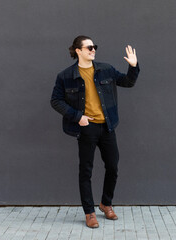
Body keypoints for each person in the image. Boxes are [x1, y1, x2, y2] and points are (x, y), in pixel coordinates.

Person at [50, 35, 140, 228]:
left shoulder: (105, 69)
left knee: (113, 166)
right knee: (86, 171)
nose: (93, 50)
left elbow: (127, 82)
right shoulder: (65, 76)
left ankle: (105, 204)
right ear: (78, 51)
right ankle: (89, 212)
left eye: (94, 46)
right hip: (86, 128)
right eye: (89, 47)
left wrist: (133, 67)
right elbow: (55, 100)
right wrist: (77, 117)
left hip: (107, 126)